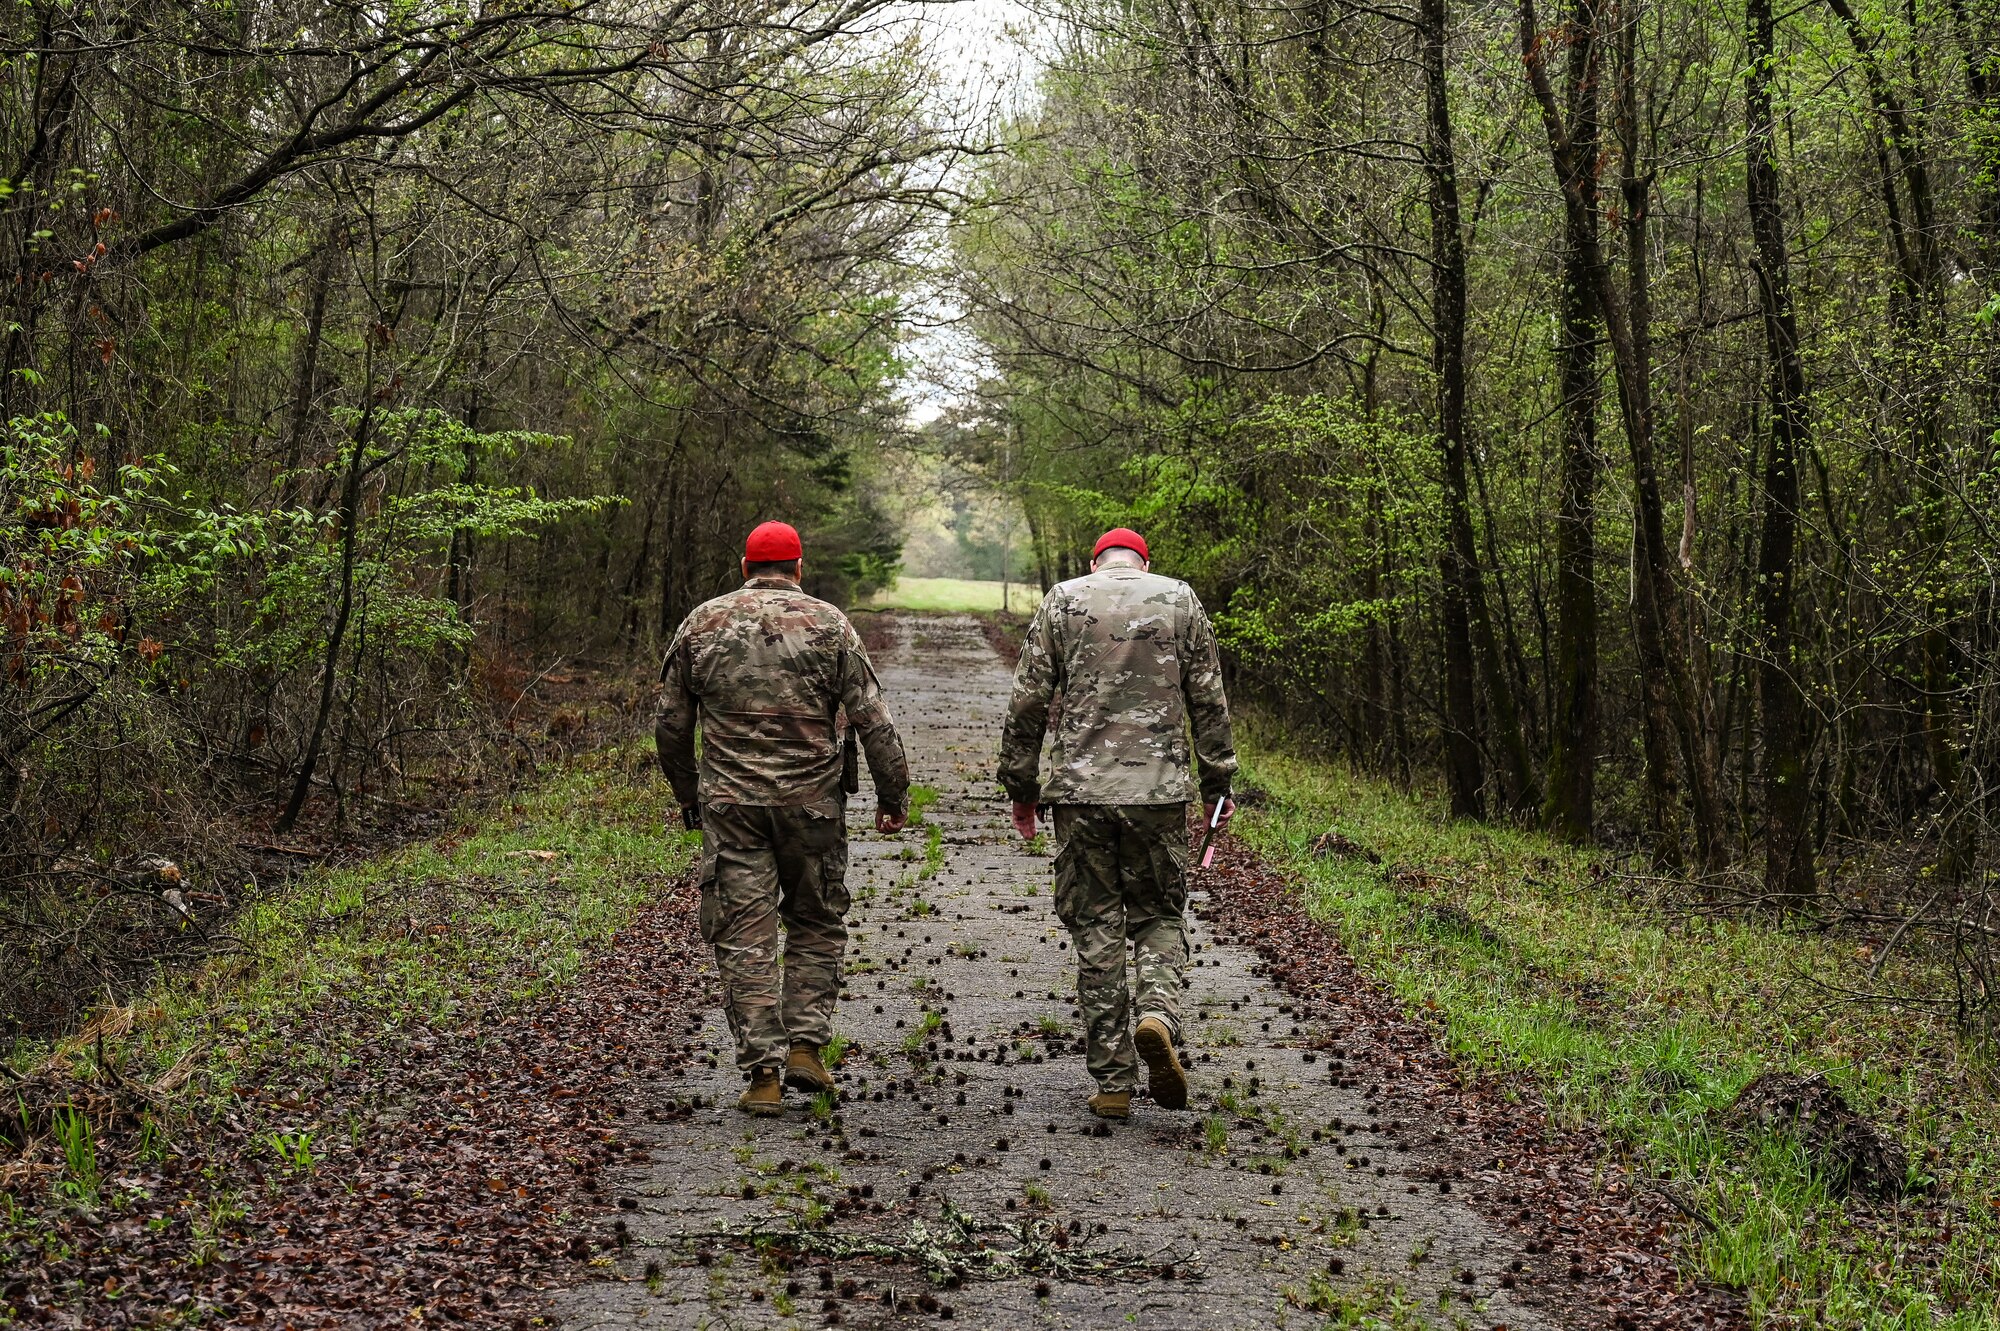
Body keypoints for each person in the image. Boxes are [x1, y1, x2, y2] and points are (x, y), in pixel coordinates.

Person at [656, 521, 910, 1116]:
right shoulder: (830, 625)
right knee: (816, 923)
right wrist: (893, 796)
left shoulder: (702, 623)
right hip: (812, 807)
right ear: (799, 568)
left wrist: (687, 794)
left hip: (733, 809)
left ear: (744, 567)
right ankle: (805, 1047)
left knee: (744, 936)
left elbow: (670, 723)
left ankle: (762, 1073)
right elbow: (873, 719)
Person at [997, 527, 1237, 1119]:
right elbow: (1208, 698)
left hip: (1081, 796)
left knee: (1096, 927)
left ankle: (1112, 1084)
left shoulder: (1064, 600)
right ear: (1144, 562)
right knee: (1159, 913)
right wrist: (1218, 784)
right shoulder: (1178, 598)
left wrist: (1021, 788)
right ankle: (1156, 1013)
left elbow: (1027, 701)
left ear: (1096, 562)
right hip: (1158, 794)